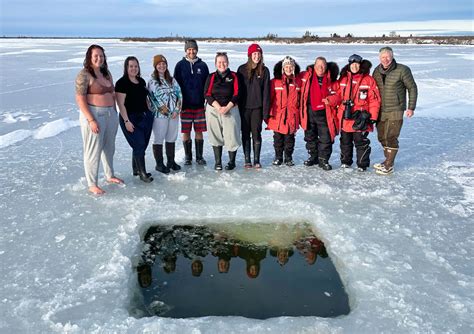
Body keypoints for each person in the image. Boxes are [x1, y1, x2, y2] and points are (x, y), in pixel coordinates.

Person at [75, 44, 123, 195]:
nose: (99, 58)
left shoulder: (106, 73)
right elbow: (80, 100)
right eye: (95, 55)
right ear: (89, 57)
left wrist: (115, 114)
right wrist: (91, 120)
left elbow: (113, 94)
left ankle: (110, 175)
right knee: (93, 150)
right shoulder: (84, 75)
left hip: (110, 115)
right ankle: (92, 184)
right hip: (95, 115)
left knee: (109, 148)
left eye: (101, 55)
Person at [372, 47, 418, 175]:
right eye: (383, 57)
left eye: (388, 57)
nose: (385, 59)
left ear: (392, 57)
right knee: (382, 137)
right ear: (379, 58)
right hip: (380, 110)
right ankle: (387, 160)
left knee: (391, 136)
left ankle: (389, 165)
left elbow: (412, 88)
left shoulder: (402, 70)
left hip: (396, 108)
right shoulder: (376, 71)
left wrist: (411, 107)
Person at [335, 54, 380, 171]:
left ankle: (362, 165)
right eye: (352, 64)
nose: (354, 66)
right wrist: (329, 100)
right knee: (345, 142)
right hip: (346, 116)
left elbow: (374, 100)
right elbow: (337, 95)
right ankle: (345, 162)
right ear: (349, 65)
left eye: (357, 64)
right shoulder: (343, 79)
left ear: (360, 65)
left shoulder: (368, 80)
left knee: (361, 142)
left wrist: (373, 116)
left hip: (360, 118)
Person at [115, 56, 154, 183]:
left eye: (136, 66)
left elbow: (145, 99)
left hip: (145, 116)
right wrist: (126, 121)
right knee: (139, 144)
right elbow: (121, 104)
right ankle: (143, 173)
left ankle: (136, 169)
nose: (134, 68)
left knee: (142, 144)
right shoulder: (122, 83)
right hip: (130, 117)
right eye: (131, 66)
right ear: (126, 68)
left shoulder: (141, 81)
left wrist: (150, 112)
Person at [299, 57, 340, 170]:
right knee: (310, 137)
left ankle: (323, 160)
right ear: (314, 65)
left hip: (325, 114)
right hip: (309, 112)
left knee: (326, 138)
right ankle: (313, 157)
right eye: (318, 65)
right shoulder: (306, 77)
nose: (320, 68)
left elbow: (339, 95)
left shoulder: (332, 79)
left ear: (326, 67)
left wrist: (330, 100)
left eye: (323, 66)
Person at [173, 39, 210, 166]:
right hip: (185, 106)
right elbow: (175, 86)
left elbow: (207, 85)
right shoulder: (180, 65)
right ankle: (188, 157)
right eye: (189, 49)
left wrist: (206, 102)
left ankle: (199, 157)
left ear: (197, 50)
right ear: (185, 51)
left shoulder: (203, 66)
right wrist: (178, 103)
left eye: (193, 49)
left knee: (199, 131)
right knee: (186, 132)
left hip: (199, 105)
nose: (191, 51)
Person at [204, 52, 241, 171]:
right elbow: (207, 94)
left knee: (232, 135)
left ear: (228, 62)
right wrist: (218, 107)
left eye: (224, 61)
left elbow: (237, 93)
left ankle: (231, 162)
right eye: (219, 62)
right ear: (215, 64)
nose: (222, 64)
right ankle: (218, 162)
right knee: (215, 135)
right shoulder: (212, 77)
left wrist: (227, 107)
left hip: (230, 108)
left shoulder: (234, 76)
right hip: (214, 109)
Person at [237, 43, 271, 168]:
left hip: (257, 108)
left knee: (256, 134)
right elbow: (237, 91)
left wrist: (266, 112)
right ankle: (247, 160)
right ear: (250, 55)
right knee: (245, 133)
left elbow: (266, 92)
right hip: (244, 108)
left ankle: (256, 160)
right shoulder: (241, 70)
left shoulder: (264, 71)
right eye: (254, 54)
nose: (257, 56)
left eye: (259, 54)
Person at [148, 54, 183, 174]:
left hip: (174, 115)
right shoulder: (153, 81)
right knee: (159, 138)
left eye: (164, 64)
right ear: (155, 66)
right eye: (159, 64)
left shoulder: (172, 80)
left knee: (171, 137)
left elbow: (179, 94)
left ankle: (171, 161)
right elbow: (154, 99)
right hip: (160, 116)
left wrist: (177, 110)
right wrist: (168, 112)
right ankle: (159, 164)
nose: (162, 66)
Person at [266, 56, 301, 166]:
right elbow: (269, 99)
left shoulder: (298, 83)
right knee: (278, 138)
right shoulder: (275, 82)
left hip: (292, 115)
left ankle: (288, 158)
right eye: (286, 66)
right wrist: (268, 113)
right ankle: (278, 157)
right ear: (283, 68)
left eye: (291, 67)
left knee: (290, 139)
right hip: (278, 115)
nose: (289, 69)